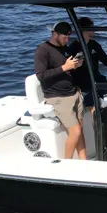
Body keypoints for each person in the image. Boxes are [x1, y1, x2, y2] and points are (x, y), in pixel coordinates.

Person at [33, 21, 86, 160]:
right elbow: (41, 76)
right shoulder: (42, 51)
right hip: (58, 98)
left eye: (68, 37)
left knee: (80, 131)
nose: (67, 40)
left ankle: (84, 161)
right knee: (75, 132)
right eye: (64, 37)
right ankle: (66, 164)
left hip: (74, 93)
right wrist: (65, 67)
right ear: (54, 34)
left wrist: (76, 65)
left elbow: (67, 69)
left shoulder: (64, 48)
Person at [69, 16, 107, 110]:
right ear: (83, 30)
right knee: (93, 108)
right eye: (91, 28)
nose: (94, 31)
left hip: (98, 79)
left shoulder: (94, 45)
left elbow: (106, 60)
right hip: (84, 85)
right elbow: (70, 70)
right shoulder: (73, 48)